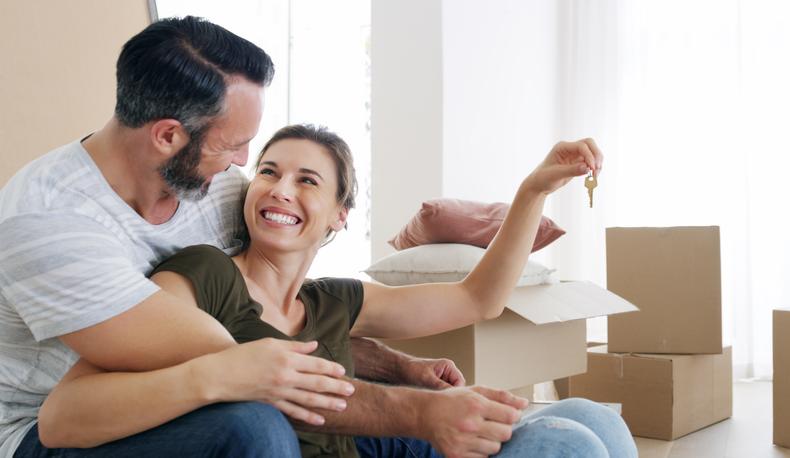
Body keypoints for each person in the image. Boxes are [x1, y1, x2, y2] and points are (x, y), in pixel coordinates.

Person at [0, 17, 467, 458]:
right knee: (257, 424)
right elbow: (243, 359)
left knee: (404, 437)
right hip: (51, 427)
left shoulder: (214, 186)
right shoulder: (47, 222)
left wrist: (397, 369)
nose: (243, 162)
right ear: (167, 136)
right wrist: (420, 410)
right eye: (232, 145)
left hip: (189, 385)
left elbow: (270, 323)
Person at [34, 124, 637, 458]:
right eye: (268, 171)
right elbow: (68, 411)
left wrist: (534, 190)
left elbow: (477, 299)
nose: (280, 189)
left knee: (588, 420)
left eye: (307, 180)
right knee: (568, 449)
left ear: (340, 215)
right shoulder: (204, 276)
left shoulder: (334, 303)